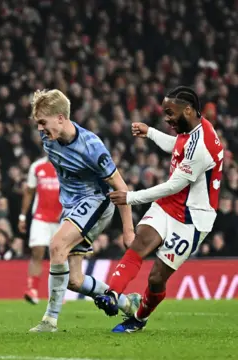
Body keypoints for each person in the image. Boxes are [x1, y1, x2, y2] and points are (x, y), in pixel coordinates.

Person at [95, 86, 223, 332]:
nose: (167, 118)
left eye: (170, 113)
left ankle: (139, 318)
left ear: (188, 110)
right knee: (139, 244)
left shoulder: (202, 147)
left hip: (192, 219)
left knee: (156, 279)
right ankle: (112, 295)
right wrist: (151, 133)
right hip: (169, 205)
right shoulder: (193, 128)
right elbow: (178, 146)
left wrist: (131, 197)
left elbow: (173, 184)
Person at [27, 89, 139, 333]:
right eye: (37, 124)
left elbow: (121, 187)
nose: (40, 130)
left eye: (43, 123)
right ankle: (128, 303)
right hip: (72, 206)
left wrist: (128, 230)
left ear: (60, 117)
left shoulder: (92, 147)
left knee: (56, 245)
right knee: (75, 281)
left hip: (97, 201)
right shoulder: (49, 139)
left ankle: (49, 321)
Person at [18, 156, 62, 305]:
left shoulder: (67, 164)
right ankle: (32, 290)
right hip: (40, 217)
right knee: (37, 251)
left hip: (61, 219)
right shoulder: (36, 166)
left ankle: (57, 293)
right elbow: (29, 192)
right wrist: (22, 217)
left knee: (59, 256)